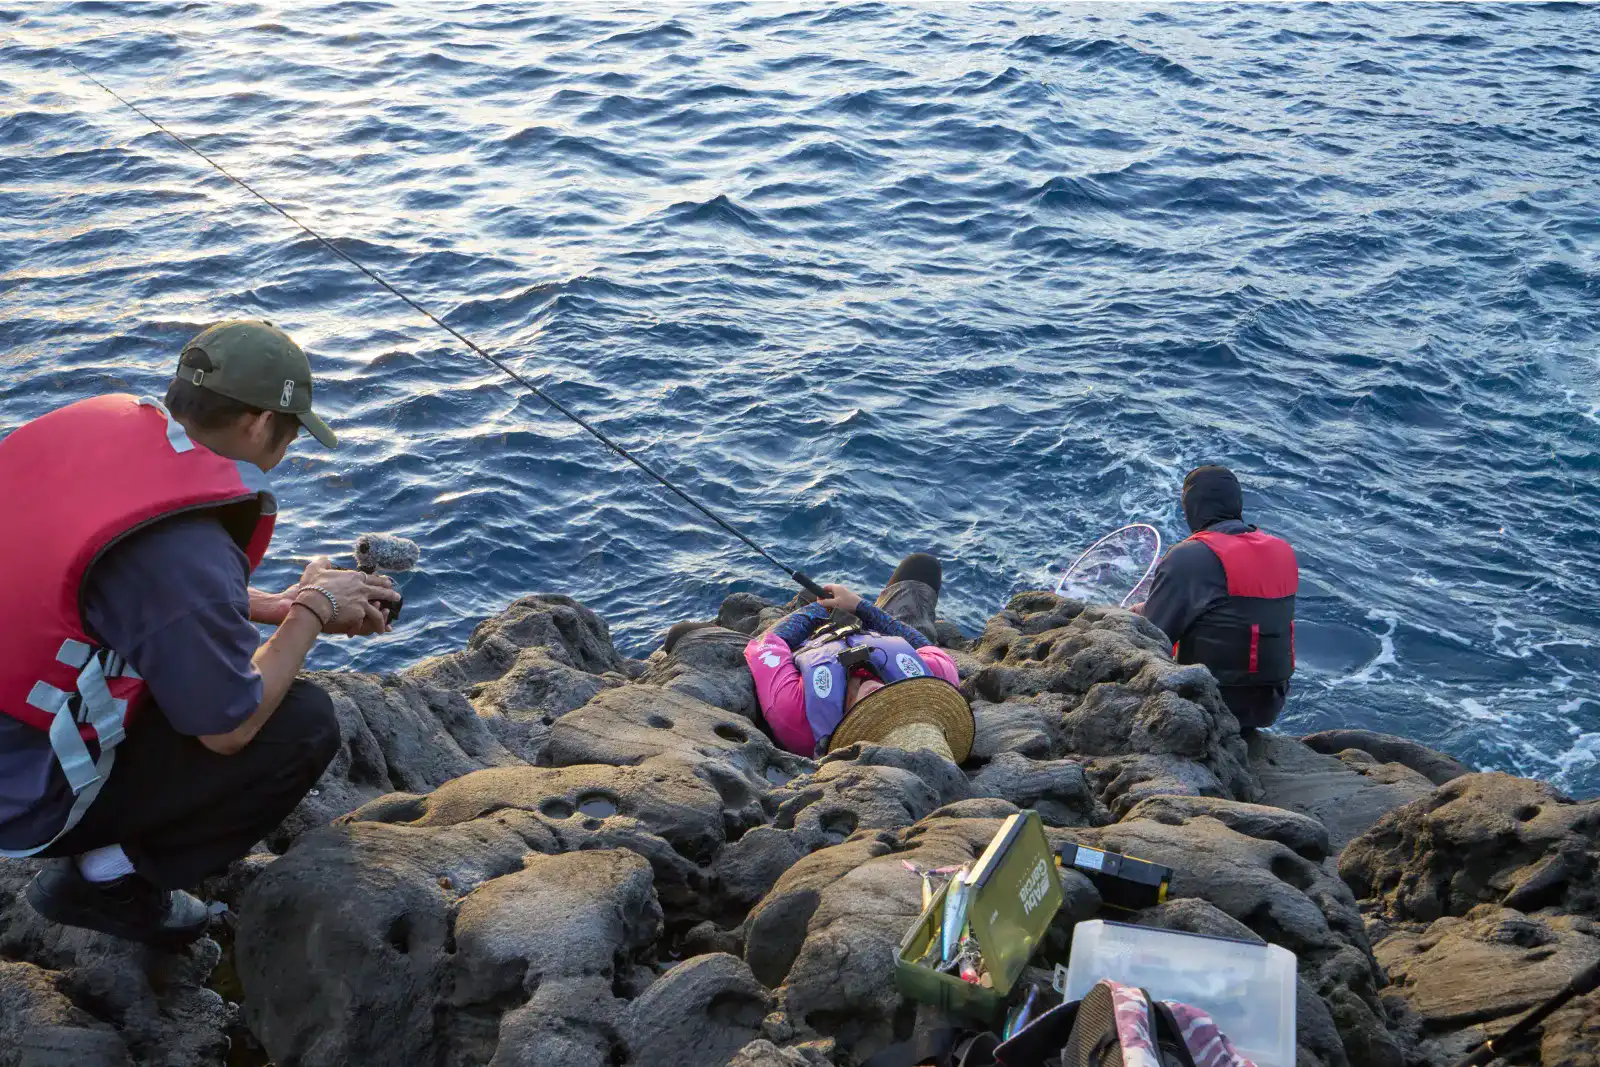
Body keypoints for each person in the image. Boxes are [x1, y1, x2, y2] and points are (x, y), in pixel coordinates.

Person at [0, 320, 400, 946]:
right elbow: (228, 730)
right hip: (19, 793)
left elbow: (115, 582)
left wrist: (275, 604)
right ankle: (107, 880)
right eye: (292, 431)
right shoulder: (186, 549)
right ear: (262, 424)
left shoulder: (98, 426)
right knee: (301, 722)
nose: (289, 445)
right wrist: (316, 609)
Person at [742, 553, 971, 760]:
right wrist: (861, 607)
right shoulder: (938, 678)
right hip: (882, 637)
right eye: (901, 704)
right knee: (923, 565)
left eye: (875, 716)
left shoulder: (796, 717)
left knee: (809, 594)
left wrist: (822, 610)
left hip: (814, 641)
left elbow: (766, 644)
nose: (878, 694)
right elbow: (925, 646)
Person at [1135, 465, 1298, 732]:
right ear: (1236, 503)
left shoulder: (1188, 556)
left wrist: (1134, 614)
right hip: (1269, 705)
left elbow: (1153, 636)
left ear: (1192, 507)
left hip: (1211, 702)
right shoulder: (1283, 551)